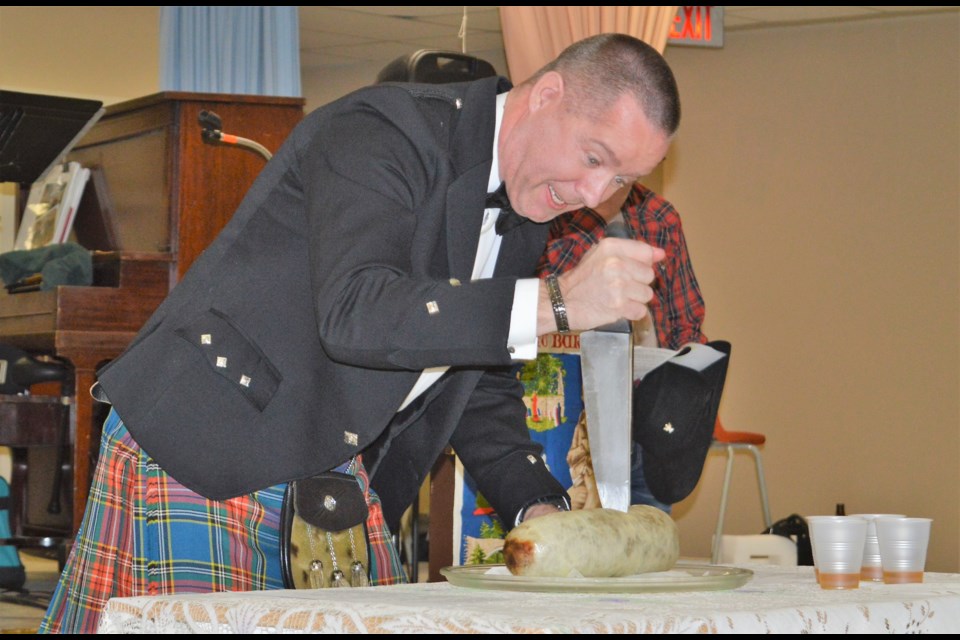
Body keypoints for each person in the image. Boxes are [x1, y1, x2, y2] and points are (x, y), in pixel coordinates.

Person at [40, 33, 681, 633]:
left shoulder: (530, 207)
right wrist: (558, 302)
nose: (594, 194)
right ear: (546, 96)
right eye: (594, 158)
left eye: (621, 180)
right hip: (211, 437)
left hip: (326, 471)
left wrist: (537, 508)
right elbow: (357, 312)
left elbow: (477, 382)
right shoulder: (380, 131)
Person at [538, 180, 706, 513]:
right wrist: (598, 229)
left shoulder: (659, 216)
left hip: (647, 412)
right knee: (577, 536)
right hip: (570, 418)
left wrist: (684, 408)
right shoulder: (552, 208)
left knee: (646, 538)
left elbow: (686, 323)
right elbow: (539, 295)